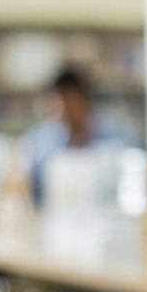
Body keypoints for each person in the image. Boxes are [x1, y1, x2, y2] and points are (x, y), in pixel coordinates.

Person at [21, 67, 97, 207]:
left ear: (86, 101)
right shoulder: (40, 140)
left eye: (72, 100)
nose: (67, 108)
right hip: (49, 217)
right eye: (61, 100)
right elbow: (25, 183)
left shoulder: (114, 135)